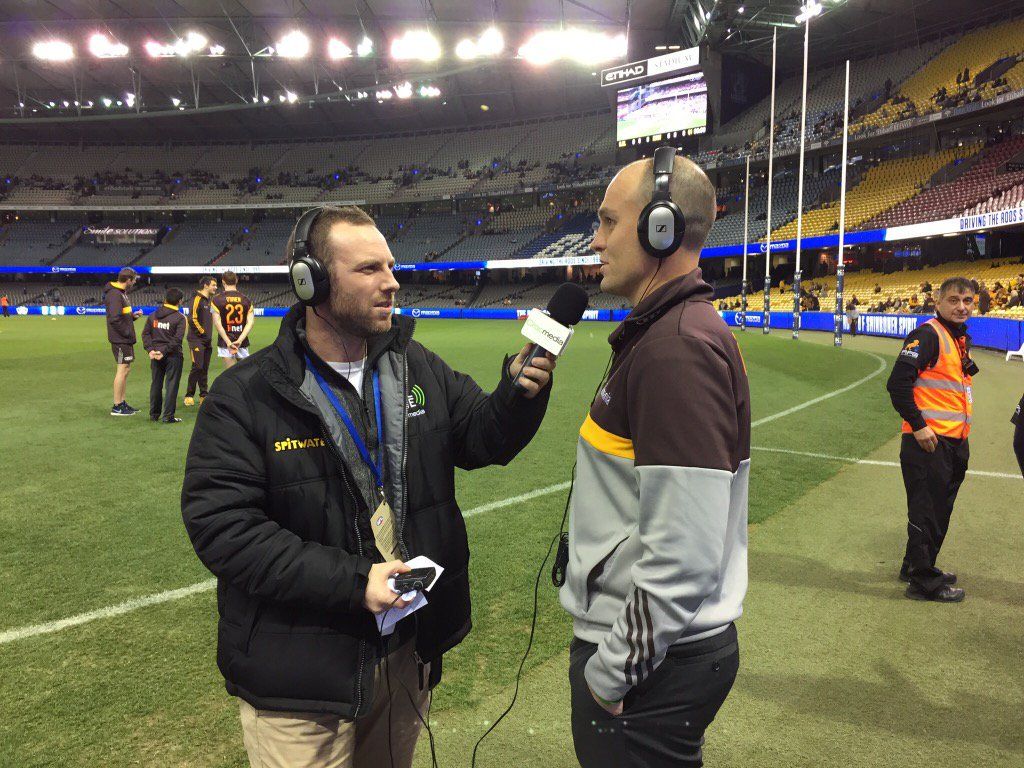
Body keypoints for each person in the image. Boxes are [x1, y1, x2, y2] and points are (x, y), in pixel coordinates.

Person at [181, 205, 556, 768]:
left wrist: (516, 395)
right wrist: (357, 582)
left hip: (404, 652)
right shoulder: (245, 395)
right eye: (369, 269)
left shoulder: (415, 365)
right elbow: (223, 529)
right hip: (302, 679)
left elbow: (484, 440)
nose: (392, 281)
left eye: (391, 266)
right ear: (310, 281)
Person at [560, 148, 749, 767]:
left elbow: (684, 553)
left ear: (658, 227)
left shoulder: (676, 348)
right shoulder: (668, 332)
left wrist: (611, 673)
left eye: (609, 221)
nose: (596, 240)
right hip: (665, 652)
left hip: (652, 662)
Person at [886, 277, 977, 603]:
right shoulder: (928, 335)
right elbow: (898, 384)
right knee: (926, 512)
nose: (961, 307)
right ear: (937, 303)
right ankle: (923, 582)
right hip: (928, 442)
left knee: (938, 511)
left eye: (967, 301)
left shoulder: (957, 338)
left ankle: (915, 566)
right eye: (954, 300)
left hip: (953, 442)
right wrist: (919, 425)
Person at [142, 287, 186, 424]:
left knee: (156, 383)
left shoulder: (153, 315)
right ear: (180, 301)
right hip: (173, 355)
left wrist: (150, 350)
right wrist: (164, 351)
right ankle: (168, 416)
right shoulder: (180, 318)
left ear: (165, 299)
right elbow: (177, 339)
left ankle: (154, 414)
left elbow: (145, 334)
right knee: (171, 385)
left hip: (155, 354)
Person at [103, 267, 143, 416]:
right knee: (122, 369)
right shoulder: (115, 294)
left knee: (126, 369)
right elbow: (114, 319)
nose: (134, 283)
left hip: (124, 338)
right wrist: (126, 332)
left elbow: (121, 316)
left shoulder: (121, 293)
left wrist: (132, 317)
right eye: (134, 280)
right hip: (120, 339)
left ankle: (122, 402)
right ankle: (117, 406)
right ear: (128, 280)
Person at [184, 275, 218, 406]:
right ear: (206, 285)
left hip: (207, 340)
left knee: (204, 368)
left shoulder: (209, 301)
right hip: (196, 339)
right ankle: (189, 395)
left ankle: (203, 395)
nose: (215, 287)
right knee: (197, 366)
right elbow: (192, 318)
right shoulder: (197, 299)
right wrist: (203, 332)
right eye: (213, 285)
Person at [211, 271, 255, 369]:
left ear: (223, 282)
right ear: (236, 280)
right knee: (246, 372)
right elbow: (250, 322)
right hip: (242, 342)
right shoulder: (246, 300)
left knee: (231, 373)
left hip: (225, 343)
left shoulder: (216, 300)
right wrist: (239, 340)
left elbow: (217, 323)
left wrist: (228, 342)